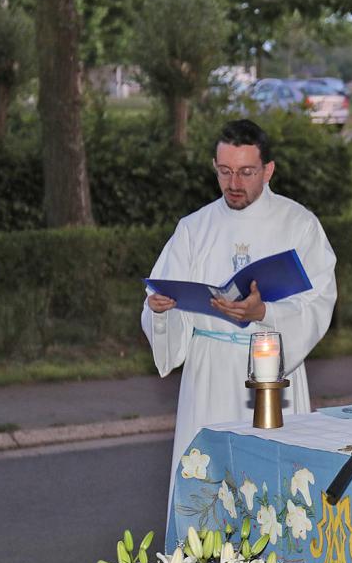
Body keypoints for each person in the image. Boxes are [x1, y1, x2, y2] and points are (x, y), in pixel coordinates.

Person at [141, 118, 337, 487]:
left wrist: (264, 313)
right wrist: (162, 311)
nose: (234, 184)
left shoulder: (299, 225)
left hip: (272, 372)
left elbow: (319, 301)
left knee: (274, 487)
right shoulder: (193, 229)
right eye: (225, 171)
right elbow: (161, 297)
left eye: (246, 172)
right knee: (207, 488)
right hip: (208, 374)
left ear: (268, 170)